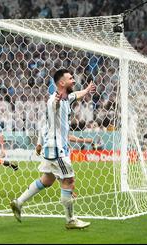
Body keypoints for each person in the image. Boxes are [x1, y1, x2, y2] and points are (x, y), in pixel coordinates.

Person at [10, 69, 96, 229]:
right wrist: (56, 100)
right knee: (68, 181)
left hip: (51, 148)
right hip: (57, 150)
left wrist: (87, 90)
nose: (74, 80)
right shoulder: (53, 101)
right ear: (61, 83)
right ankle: (70, 220)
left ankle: (18, 202)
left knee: (47, 180)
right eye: (71, 78)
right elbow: (54, 105)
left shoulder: (67, 98)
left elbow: (76, 94)